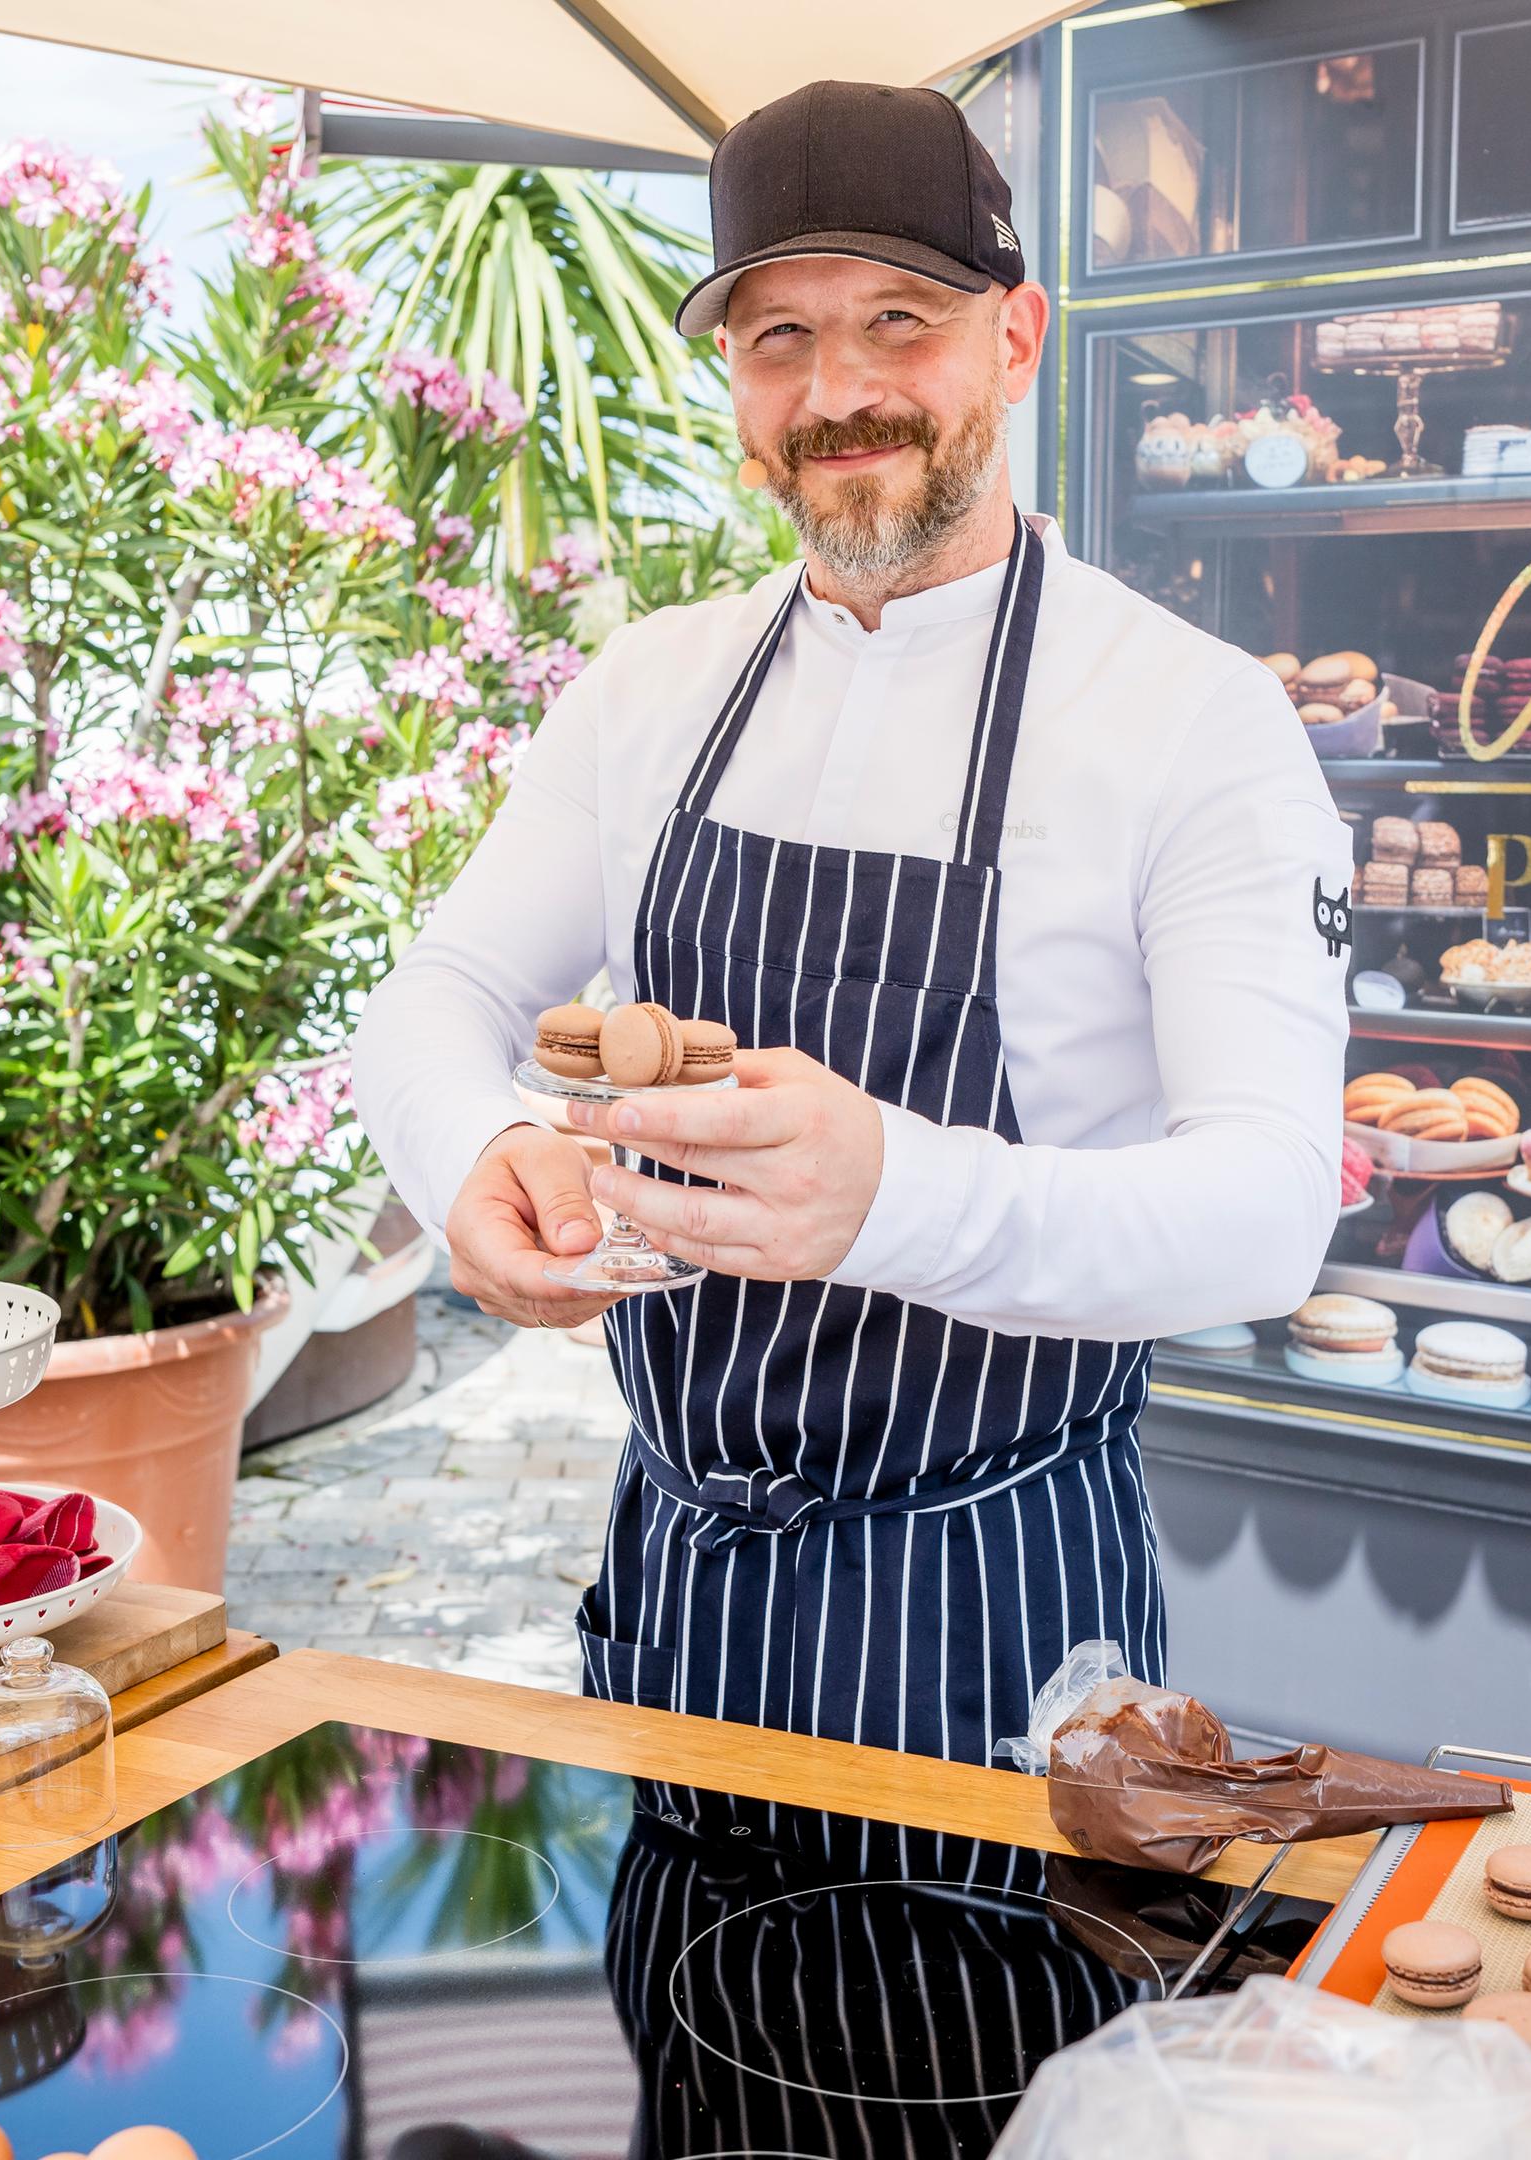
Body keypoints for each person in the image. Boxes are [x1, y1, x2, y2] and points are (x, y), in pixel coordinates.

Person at [353, 80, 1346, 1783]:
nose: (839, 393)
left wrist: (894, 1195)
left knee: (990, 2051)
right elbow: (438, 993)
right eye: (779, 336)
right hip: (672, 1580)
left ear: (1017, 338)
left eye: (903, 321)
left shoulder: (1193, 718)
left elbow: (1265, 1219)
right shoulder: (651, 688)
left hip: (999, 1616)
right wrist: (470, 1155)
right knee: (681, 2035)